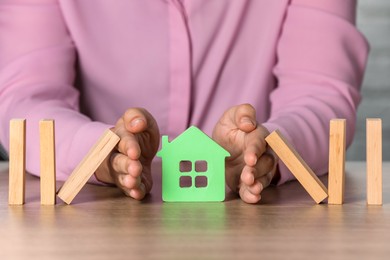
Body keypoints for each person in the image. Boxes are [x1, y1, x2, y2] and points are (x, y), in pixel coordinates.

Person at [0, 0, 368, 203]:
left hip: (255, 229)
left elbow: (321, 93)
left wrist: (267, 146)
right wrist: (100, 154)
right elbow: (27, 98)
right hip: (98, 227)